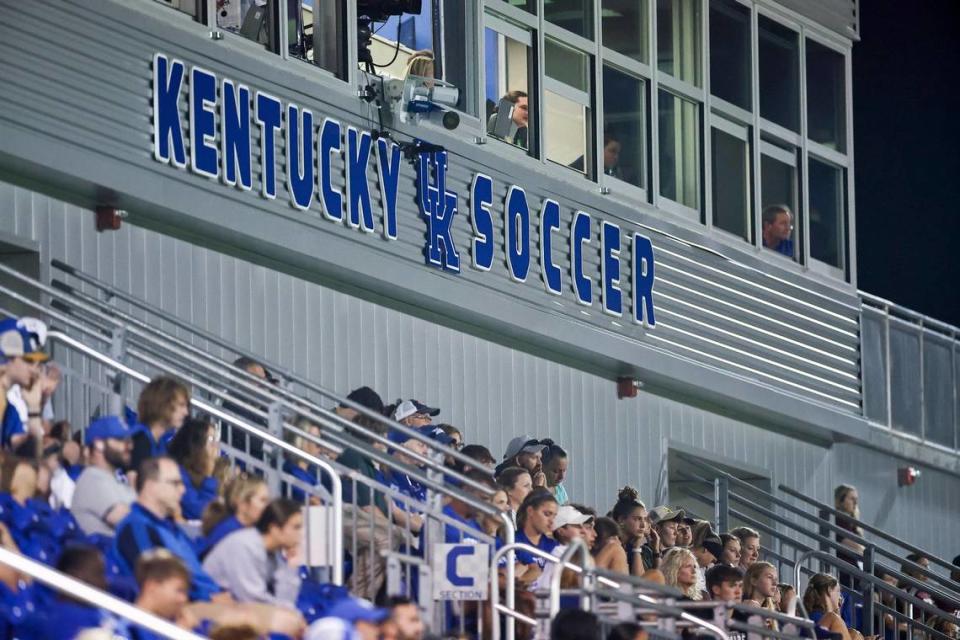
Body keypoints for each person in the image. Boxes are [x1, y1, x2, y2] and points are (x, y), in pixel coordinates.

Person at [112, 456, 229, 602]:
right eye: (176, 483)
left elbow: (195, 563)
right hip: (185, 608)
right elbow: (160, 585)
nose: (183, 490)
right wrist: (211, 599)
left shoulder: (167, 526)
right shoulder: (136, 528)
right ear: (151, 486)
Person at [203, 498, 303, 607]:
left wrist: (290, 568)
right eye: (296, 527)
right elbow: (253, 601)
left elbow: (285, 601)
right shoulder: (244, 546)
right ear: (274, 528)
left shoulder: (274, 552)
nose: (300, 534)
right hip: (210, 608)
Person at [71, 416, 135, 536]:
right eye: (120, 440)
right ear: (99, 445)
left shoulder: (114, 480)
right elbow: (131, 523)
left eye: (128, 441)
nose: (129, 446)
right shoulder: (92, 479)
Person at [0, 317, 48, 451]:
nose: (35, 370)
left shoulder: (10, 407)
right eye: (29, 361)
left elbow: (32, 456)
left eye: (38, 364)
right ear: (8, 357)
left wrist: (34, 408)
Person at [129, 376, 191, 478]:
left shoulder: (159, 442)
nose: (186, 412)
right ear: (162, 404)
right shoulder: (139, 441)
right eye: (181, 405)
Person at [197, 473, 270, 559]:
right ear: (242, 503)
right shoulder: (229, 533)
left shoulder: (252, 531)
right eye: (263, 500)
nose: (268, 506)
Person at [167, 416, 225, 520]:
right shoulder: (178, 473)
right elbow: (200, 512)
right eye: (211, 439)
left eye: (216, 439)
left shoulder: (208, 472)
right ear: (196, 444)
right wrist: (208, 476)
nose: (216, 445)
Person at [128, 549, 193, 637]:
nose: (184, 599)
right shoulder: (128, 630)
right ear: (152, 587)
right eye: (179, 590)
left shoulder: (169, 628)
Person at [514, 489, 559, 585]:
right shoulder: (511, 541)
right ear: (530, 511)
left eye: (554, 516)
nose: (551, 521)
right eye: (547, 514)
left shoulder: (555, 546)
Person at [803, 573, 864, 640]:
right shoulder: (827, 618)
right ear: (829, 590)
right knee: (854, 634)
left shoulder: (813, 615)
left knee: (853, 633)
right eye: (838, 591)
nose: (840, 597)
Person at [610, 487, 655, 575]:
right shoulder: (610, 544)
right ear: (622, 520)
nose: (643, 525)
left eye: (645, 519)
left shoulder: (632, 545)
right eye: (637, 519)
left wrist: (637, 548)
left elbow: (641, 583)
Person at [834, 484, 864, 588]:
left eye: (856, 499)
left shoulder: (852, 524)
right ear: (841, 500)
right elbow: (856, 548)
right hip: (845, 568)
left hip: (853, 567)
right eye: (852, 498)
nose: (855, 502)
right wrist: (861, 549)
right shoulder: (840, 520)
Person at [742, 561, 780, 628]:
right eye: (769, 577)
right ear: (754, 581)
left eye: (776, 579)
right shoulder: (742, 609)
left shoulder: (771, 610)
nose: (775, 583)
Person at [541, 439, 569, 505]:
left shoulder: (559, 488)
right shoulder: (535, 492)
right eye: (556, 471)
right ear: (542, 467)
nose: (561, 477)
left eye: (564, 470)